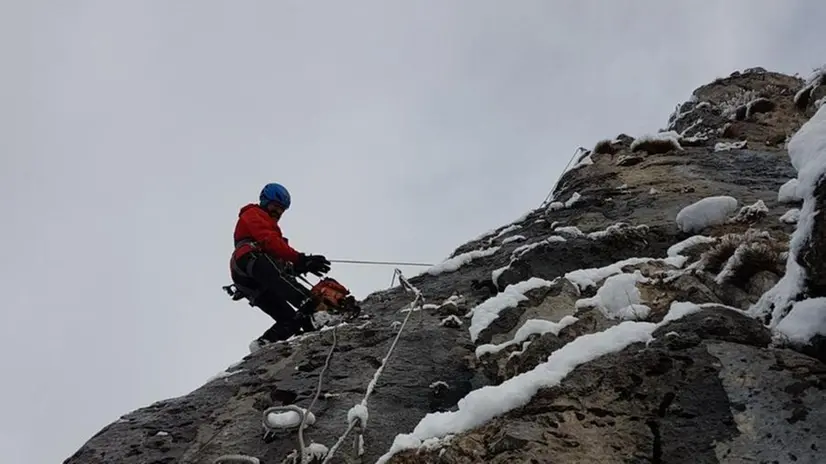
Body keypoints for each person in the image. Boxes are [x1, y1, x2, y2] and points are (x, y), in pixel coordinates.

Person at [229, 182, 332, 353]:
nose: (278, 212)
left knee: (291, 320)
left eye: (281, 210)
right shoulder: (253, 214)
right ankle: (317, 309)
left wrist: (297, 265)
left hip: (249, 280)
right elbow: (270, 242)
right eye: (275, 207)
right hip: (249, 260)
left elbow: (277, 257)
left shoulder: (264, 223)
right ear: (264, 201)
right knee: (287, 285)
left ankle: (263, 344)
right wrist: (300, 259)